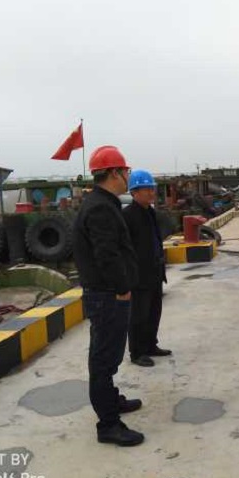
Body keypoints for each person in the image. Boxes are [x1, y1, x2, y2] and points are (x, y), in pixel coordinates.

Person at [72, 145, 144, 446]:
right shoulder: (101, 207)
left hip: (106, 293)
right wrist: (122, 288)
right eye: (125, 171)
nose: (128, 175)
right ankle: (109, 425)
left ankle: (112, 400)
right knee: (103, 360)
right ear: (114, 173)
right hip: (107, 295)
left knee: (109, 355)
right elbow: (107, 255)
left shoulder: (101, 202)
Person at [123, 169, 171, 367]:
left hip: (155, 271)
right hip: (139, 275)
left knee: (153, 312)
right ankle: (137, 352)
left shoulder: (150, 212)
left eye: (152, 188)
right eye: (147, 189)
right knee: (138, 315)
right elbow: (124, 248)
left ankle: (151, 344)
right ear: (134, 192)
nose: (151, 192)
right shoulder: (128, 216)